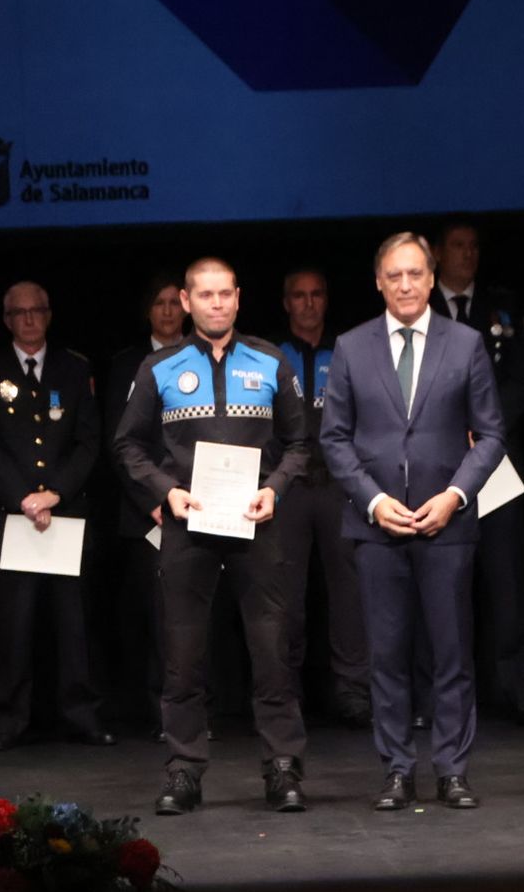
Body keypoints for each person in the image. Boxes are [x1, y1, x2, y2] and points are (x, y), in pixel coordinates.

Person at [113, 257, 310, 814]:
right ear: (186, 300)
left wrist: (275, 489)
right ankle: (182, 770)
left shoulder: (271, 361)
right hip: (187, 524)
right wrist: (165, 491)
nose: (217, 303)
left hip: (256, 522)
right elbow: (127, 445)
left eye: (226, 294)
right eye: (206, 295)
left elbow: (300, 444)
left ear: (239, 298)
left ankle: (282, 768)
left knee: (272, 651)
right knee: (182, 654)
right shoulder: (160, 367)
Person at [321, 232, 506, 811]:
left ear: (432, 279)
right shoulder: (351, 347)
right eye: (393, 276)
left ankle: (452, 769)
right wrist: (374, 501)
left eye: (415, 274)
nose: (405, 285)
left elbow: (493, 433)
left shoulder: (467, 343)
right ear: (378, 281)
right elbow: (333, 438)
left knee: (452, 654)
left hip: (446, 522)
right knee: (387, 654)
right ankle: (397, 769)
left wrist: (455, 495)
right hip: (377, 526)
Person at [0, 281, 112, 751]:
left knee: (75, 626)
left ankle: (81, 717)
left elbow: (90, 441)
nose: (29, 320)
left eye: (37, 312)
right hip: (13, 516)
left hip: (65, 514)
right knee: (13, 625)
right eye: (19, 313)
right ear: (7, 320)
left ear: (49, 315)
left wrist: (56, 493)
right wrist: (24, 497)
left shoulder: (75, 367)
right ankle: (5, 722)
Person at [427, 219, 524, 725]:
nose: (467, 254)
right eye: (457, 246)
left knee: (506, 578)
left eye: (474, 246)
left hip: (495, 460)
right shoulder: (419, 311)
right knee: (438, 581)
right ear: (436, 254)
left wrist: (486, 427)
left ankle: (518, 690)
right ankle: (437, 697)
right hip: (436, 460)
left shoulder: (503, 307)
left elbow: (522, 378)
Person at [277, 268, 370, 727]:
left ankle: (352, 690)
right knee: (286, 595)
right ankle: (287, 691)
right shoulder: (272, 356)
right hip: (289, 488)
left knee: (349, 593)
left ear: (326, 300)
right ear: (286, 302)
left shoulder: (348, 352)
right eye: (299, 295)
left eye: (316, 294)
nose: (308, 303)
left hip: (339, 486)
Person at [104, 274, 185, 736]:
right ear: (148, 311)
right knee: (153, 617)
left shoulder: (204, 357)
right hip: (147, 513)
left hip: (197, 506)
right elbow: (119, 444)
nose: (169, 310)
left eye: (176, 302)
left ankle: (198, 707)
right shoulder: (126, 365)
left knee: (193, 614)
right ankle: (159, 713)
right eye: (160, 302)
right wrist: (151, 502)